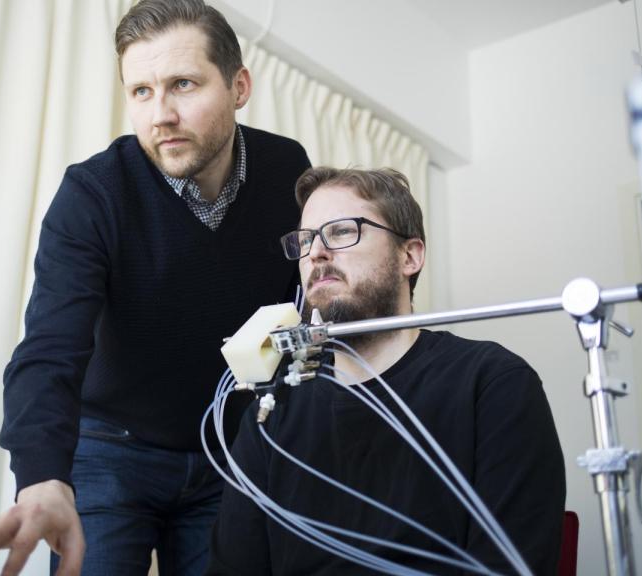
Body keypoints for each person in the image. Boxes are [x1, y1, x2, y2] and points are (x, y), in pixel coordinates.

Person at [0, 1, 311, 575]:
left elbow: (308, 309)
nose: (160, 114)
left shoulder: (286, 170)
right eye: (140, 91)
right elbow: (49, 349)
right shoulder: (93, 195)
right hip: (109, 450)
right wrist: (41, 479)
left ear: (239, 86)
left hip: (229, 453)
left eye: (183, 85)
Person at [207, 167, 566, 575]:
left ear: (409, 256)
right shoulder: (272, 408)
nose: (316, 254)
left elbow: (511, 564)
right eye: (306, 240)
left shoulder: (493, 385)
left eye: (341, 232)